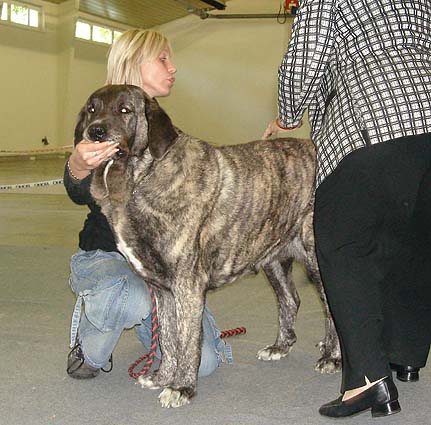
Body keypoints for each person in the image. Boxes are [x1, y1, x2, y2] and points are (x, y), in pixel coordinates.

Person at [264, 0, 431, 418]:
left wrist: (286, 115)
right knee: (413, 239)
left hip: (371, 118)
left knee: (342, 243)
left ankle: (368, 381)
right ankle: (406, 354)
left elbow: (304, 56)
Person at [64, 29, 231, 380]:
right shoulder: (101, 121)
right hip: (108, 257)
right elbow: (80, 190)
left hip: (161, 268)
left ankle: (153, 325)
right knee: (128, 296)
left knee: (204, 363)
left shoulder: (158, 127)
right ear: (135, 63)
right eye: (163, 59)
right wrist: (78, 166)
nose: (173, 68)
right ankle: (90, 343)